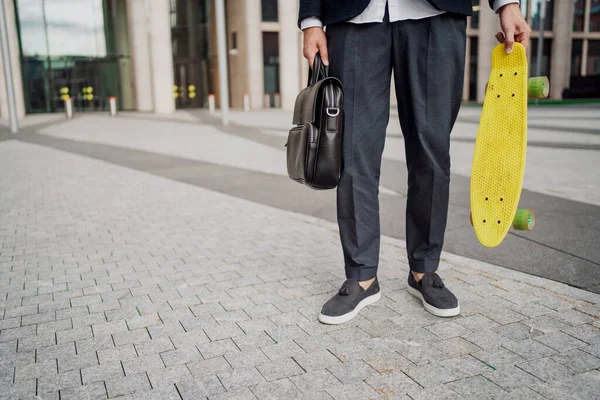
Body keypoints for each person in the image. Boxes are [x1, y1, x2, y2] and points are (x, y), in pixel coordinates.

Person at [298, 0, 531, 324]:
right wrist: (311, 19)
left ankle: (424, 269)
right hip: (353, 16)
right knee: (352, 152)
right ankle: (361, 275)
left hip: (435, 14)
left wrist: (506, 3)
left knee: (431, 151)